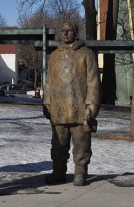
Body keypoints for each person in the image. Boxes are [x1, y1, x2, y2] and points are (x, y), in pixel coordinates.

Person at [42, 21, 101, 186]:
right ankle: (58, 172)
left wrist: (91, 107)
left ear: (76, 33)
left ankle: (80, 172)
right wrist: (46, 103)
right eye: (63, 30)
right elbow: (49, 83)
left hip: (79, 108)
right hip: (59, 109)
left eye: (69, 30)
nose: (66, 33)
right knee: (58, 145)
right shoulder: (54, 56)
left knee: (81, 144)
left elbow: (93, 83)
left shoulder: (86, 54)